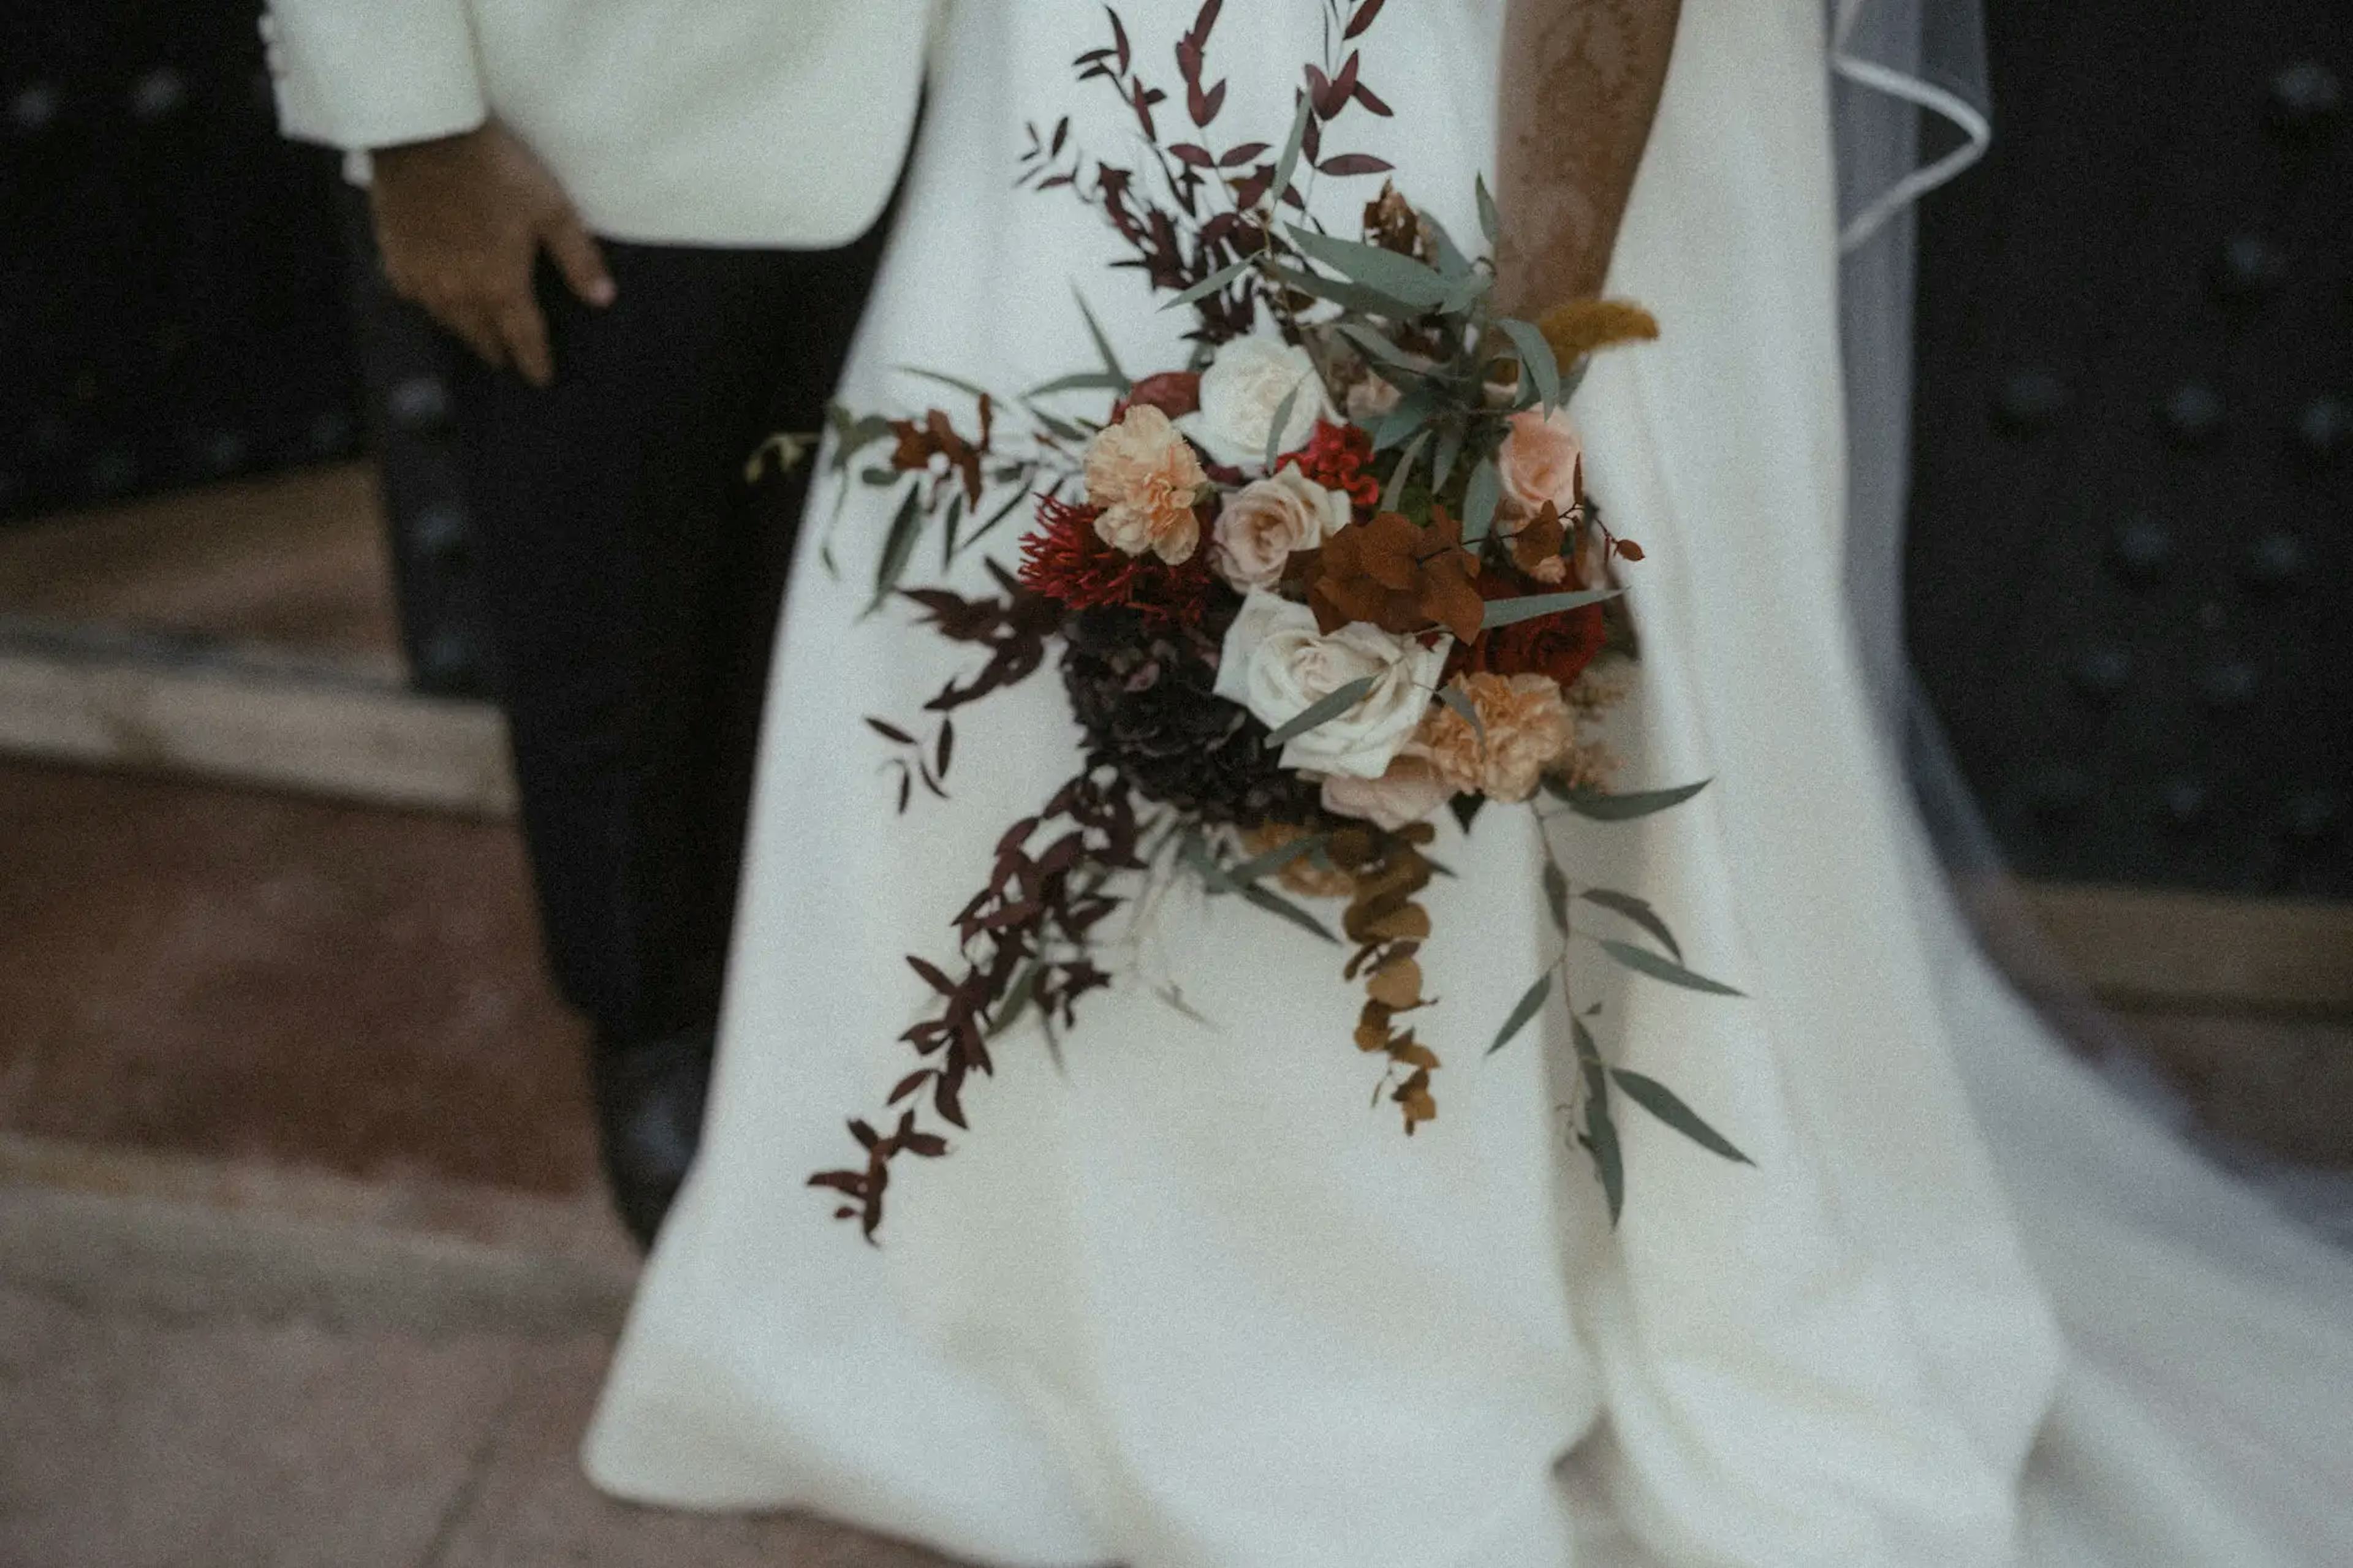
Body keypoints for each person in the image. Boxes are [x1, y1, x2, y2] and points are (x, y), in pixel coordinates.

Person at [585, 1, 2353, 1561]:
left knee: (1451, 693)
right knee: (1027, 634)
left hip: (1468, 106)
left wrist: (1510, 377)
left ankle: (1377, 1328)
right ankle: (995, 1293)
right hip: (1088, 70)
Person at [257, 0, 933, 1244]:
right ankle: (657, 1022)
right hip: (605, 140)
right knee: (623, 640)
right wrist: (410, 129)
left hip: (999, 114)